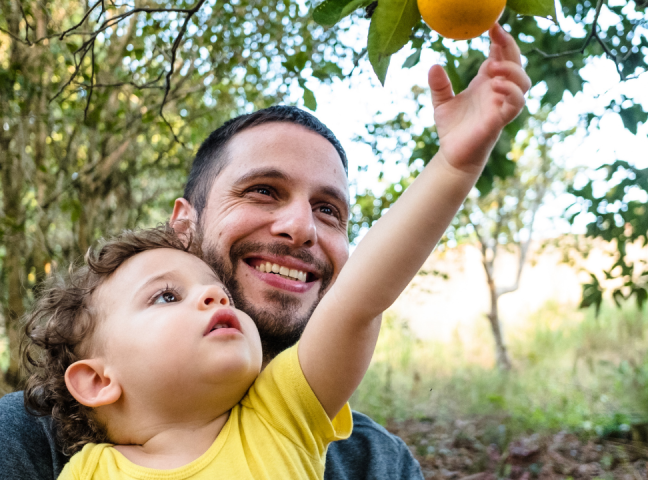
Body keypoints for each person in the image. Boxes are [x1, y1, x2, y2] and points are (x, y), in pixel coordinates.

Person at [0, 23, 530, 480]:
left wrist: (455, 166)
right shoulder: (59, 457)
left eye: (329, 210)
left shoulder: (289, 421)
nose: (301, 228)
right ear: (96, 380)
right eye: (263, 190)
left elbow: (362, 299)